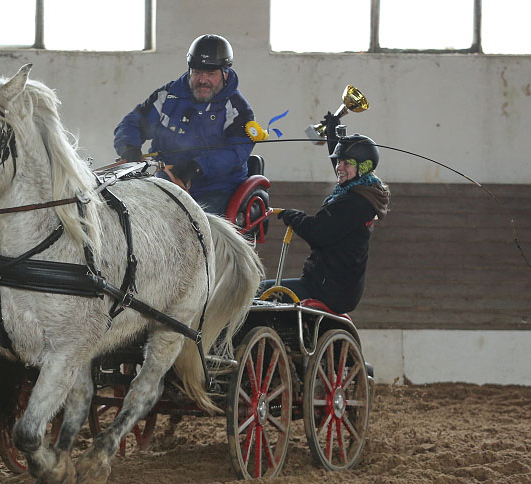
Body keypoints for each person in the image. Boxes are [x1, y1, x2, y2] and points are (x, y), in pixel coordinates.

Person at [258, 117, 390, 314]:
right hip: (336, 287)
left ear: (363, 167)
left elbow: (317, 232)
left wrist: (293, 216)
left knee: (258, 292)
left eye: (347, 163)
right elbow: (345, 173)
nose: (339, 167)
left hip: (326, 290)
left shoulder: (354, 203)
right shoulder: (364, 190)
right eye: (338, 161)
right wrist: (332, 133)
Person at [113, 34, 256, 215]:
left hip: (217, 190)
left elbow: (238, 152)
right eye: (197, 72)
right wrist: (129, 147)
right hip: (166, 185)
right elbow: (133, 122)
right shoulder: (167, 96)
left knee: (198, 226)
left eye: (211, 74)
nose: (203, 80)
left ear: (225, 74)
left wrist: (198, 166)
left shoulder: (237, 108)